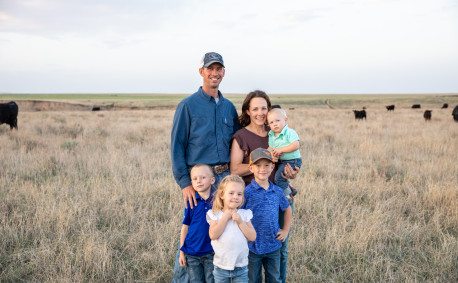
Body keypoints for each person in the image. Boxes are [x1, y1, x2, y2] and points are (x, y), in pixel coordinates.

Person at [171, 52, 240, 283]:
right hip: (199, 181)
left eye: (219, 68)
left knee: (223, 232)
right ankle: (181, 280)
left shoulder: (229, 108)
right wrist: (184, 183)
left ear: (224, 72)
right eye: (210, 68)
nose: (215, 73)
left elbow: (239, 144)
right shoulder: (188, 106)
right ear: (201, 71)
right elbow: (177, 146)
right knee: (194, 233)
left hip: (224, 180)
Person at [230, 90, 298, 283]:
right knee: (253, 248)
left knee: (280, 246)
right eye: (255, 109)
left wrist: (291, 171)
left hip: (277, 194)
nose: (260, 113)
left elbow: (289, 158)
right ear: (248, 111)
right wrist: (260, 165)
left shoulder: (276, 132)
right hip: (253, 198)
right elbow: (234, 169)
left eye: (264, 108)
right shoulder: (241, 136)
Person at [242, 148, 292, 283]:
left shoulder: (277, 191)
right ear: (250, 168)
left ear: (272, 167)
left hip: (273, 245)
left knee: (274, 278)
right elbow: (240, 215)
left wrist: (285, 230)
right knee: (252, 279)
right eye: (258, 165)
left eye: (266, 165)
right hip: (253, 246)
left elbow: (287, 209)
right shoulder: (246, 192)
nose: (262, 169)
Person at [207, 175, 256, 283]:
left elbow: (252, 237)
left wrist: (240, 222)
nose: (235, 197)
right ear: (222, 195)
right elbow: (213, 235)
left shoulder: (244, 215)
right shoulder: (215, 215)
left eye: (239, 194)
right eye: (231, 193)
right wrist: (225, 217)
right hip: (221, 267)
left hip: (241, 267)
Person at [179, 164, 216, 282]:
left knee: (211, 280)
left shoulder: (218, 201)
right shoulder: (191, 201)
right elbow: (185, 228)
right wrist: (182, 252)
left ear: (212, 180)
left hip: (212, 252)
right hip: (192, 253)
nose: (198, 181)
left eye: (202, 177)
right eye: (195, 179)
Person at [267, 108, 302, 203]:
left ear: (285, 120)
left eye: (277, 120)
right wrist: (266, 154)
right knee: (279, 173)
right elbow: (270, 147)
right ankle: (291, 188)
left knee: (278, 177)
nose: (275, 124)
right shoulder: (272, 135)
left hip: (292, 160)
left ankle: (287, 195)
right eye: (271, 122)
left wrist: (280, 149)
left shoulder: (290, 132)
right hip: (281, 161)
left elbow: (296, 145)